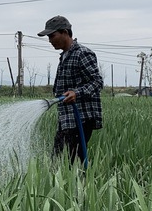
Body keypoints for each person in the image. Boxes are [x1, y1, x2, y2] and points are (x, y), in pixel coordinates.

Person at [37, 15, 103, 165]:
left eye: (52, 36)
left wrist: (76, 93)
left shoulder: (82, 53)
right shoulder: (65, 55)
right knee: (58, 161)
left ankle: (82, 187)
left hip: (81, 118)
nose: (50, 40)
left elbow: (97, 82)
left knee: (73, 163)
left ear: (65, 32)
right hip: (67, 119)